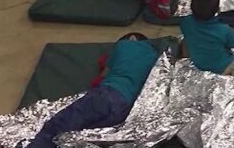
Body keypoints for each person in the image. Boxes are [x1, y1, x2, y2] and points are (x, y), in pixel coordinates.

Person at [27, 33, 158, 148]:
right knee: (80, 138)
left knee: (56, 127)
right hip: (124, 111)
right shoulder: (154, 56)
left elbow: (103, 74)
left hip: (108, 94)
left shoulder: (125, 45)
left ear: (132, 38)